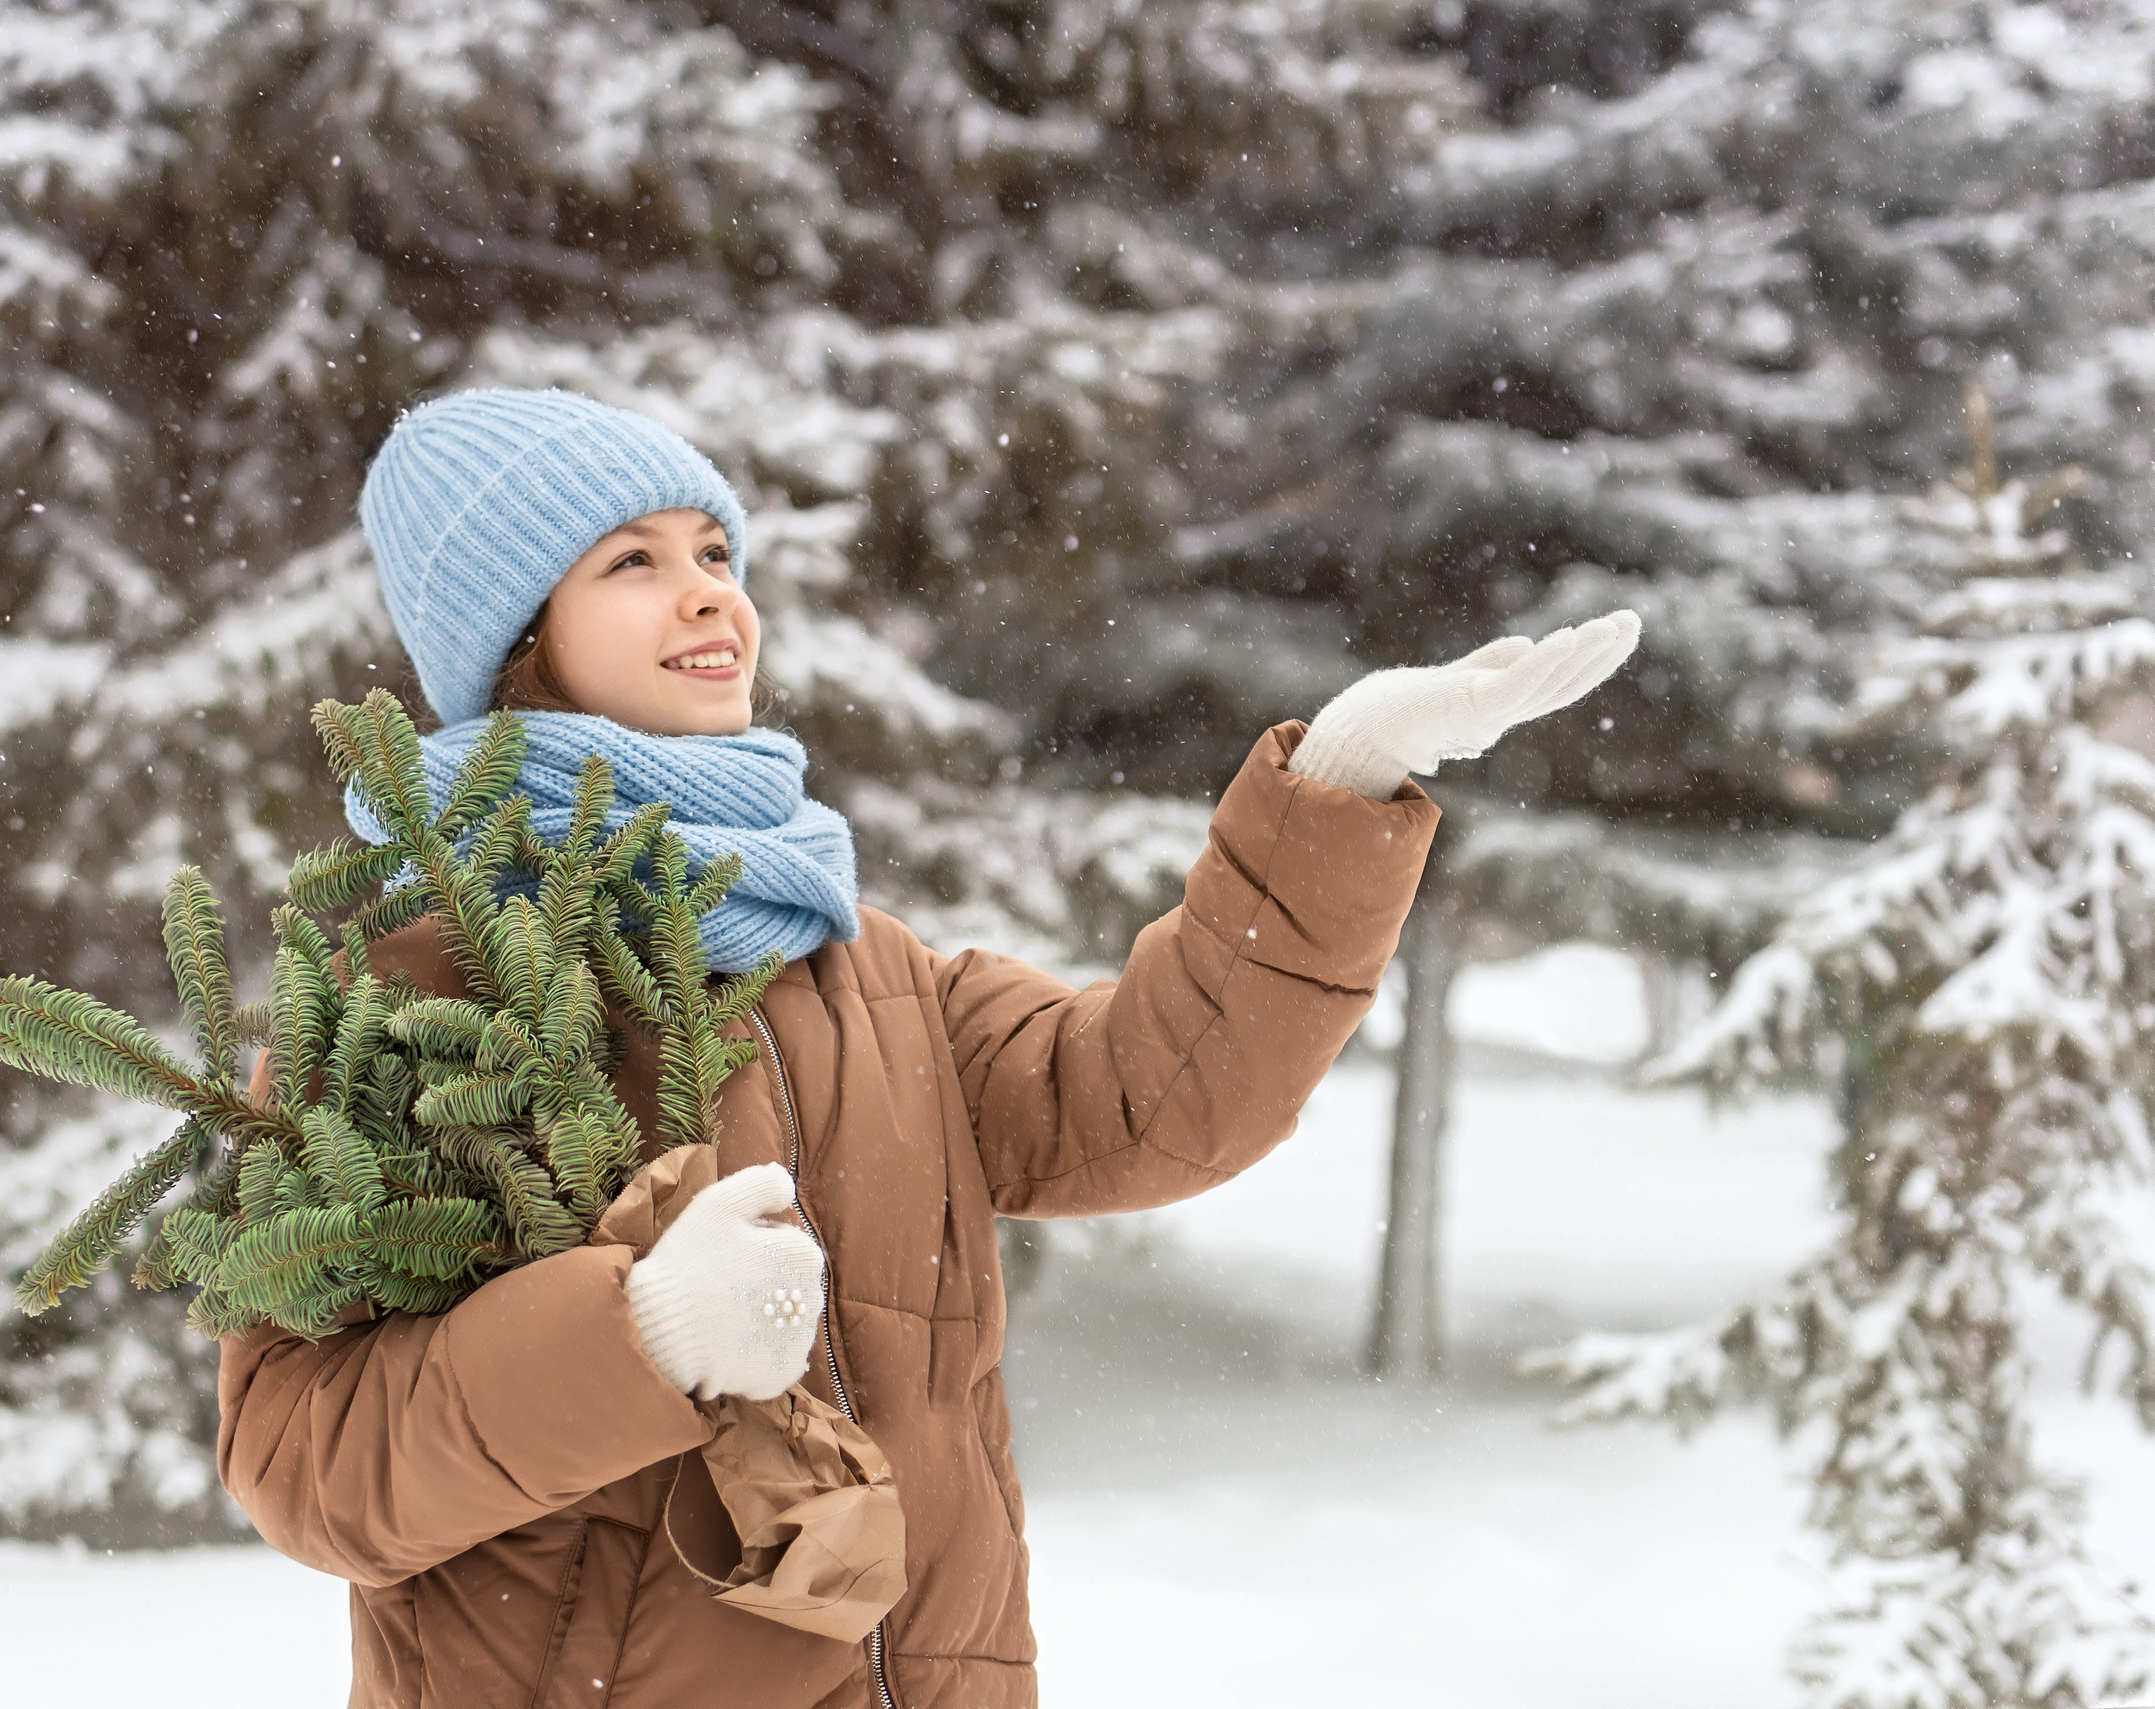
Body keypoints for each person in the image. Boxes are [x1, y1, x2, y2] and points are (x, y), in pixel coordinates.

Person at [216, 388, 1639, 1709]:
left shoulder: (864, 968)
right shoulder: (403, 996)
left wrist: (1336, 785)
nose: (710, 590)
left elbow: (1153, 1097)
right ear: (516, 643)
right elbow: (305, 1460)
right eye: (631, 562)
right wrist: (636, 1336)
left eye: (715, 549)